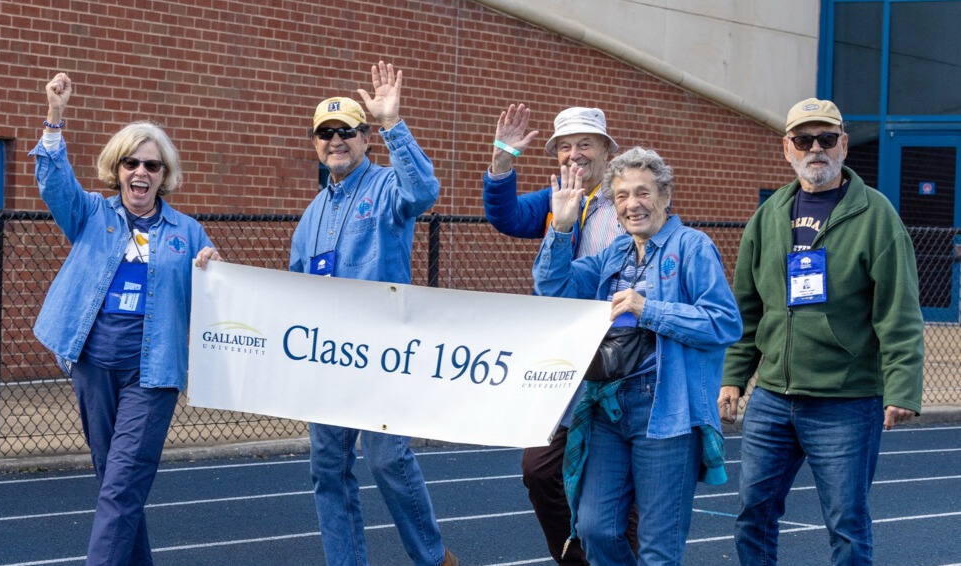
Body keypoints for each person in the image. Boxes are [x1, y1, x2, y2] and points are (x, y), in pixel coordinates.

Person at [718, 98, 924, 566]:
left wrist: (902, 388)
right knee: (753, 514)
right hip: (771, 397)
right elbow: (747, 308)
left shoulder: (877, 216)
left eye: (827, 138)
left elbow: (899, 312)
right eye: (804, 139)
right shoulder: (768, 217)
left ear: (844, 145)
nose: (816, 149)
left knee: (847, 525)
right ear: (786, 148)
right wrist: (733, 377)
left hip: (846, 400)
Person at [30, 73, 220, 566]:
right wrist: (54, 115)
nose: (141, 172)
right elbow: (52, 181)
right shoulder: (92, 213)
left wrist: (211, 267)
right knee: (117, 484)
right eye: (131, 162)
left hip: (151, 372)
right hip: (93, 363)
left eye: (152, 165)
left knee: (120, 485)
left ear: (165, 174)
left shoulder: (188, 231)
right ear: (117, 168)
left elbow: (217, 293)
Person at [534, 148, 742, 565]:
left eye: (643, 192)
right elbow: (553, 288)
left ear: (665, 195)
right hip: (609, 408)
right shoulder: (616, 252)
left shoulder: (693, 247)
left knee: (658, 548)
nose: (633, 204)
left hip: (666, 412)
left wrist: (648, 308)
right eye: (623, 195)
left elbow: (724, 323)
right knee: (595, 528)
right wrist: (560, 228)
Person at [288, 61, 458, 566]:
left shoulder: (387, 187)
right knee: (328, 468)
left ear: (365, 138)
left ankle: (432, 558)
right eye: (326, 133)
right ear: (316, 144)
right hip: (327, 359)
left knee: (387, 460)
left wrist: (393, 124)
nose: (336, 139)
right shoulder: (311, 214)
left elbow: (425, 192)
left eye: (347, 131)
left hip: (382, 355)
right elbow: (296, 289)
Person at [483, 104, 630, 565]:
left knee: (619, 483)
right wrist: (503, 157)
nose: (573, 154)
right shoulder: (554, 199)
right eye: (565, 146)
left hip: (615, 362)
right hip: (560, 364)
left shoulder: (629, 200)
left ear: (607, 149)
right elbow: (504, 215)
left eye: (585, 143)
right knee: (539, 470)